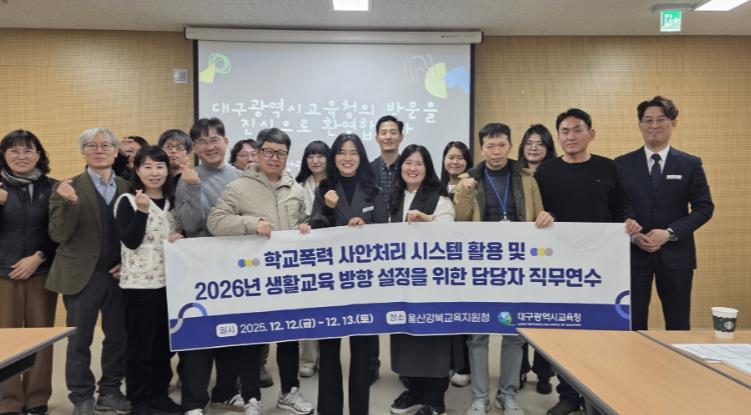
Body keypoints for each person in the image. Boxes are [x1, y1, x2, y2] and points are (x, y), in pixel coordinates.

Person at [535, 109, 641, 415]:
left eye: (577, 130)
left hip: (601, 265)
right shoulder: (545, 172)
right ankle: (568, 396)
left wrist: (630, 222)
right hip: (560, 266)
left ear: (591, 134)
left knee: (599, 331)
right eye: (565, 131)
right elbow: (535, 212)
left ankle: (599, 394)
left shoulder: (608, 168)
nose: (571, 136)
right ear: (558, 137)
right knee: (565, 333)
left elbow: (622, 207)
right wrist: (540, 217)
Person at [207, 127, 316, 415]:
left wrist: (306, 227)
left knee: (290, 336)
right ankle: (251, 397)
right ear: (258, 153)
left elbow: (302, 221)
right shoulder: (238, 187)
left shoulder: (295, 189)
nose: (274, 158)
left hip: (287, 277)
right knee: (252, 338)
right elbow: (215, 221)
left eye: (281, 153)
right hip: (252, 277)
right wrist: (251, 224)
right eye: (269, 151)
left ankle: (289, 392)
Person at [454, 123, 554, 415]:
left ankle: (507, 394)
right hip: (481, 265)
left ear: (510, 146)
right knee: (478, 334)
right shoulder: (468, 179)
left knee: (515, 333)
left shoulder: (526, 178)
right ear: (481, 149)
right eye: (490, 146)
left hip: (517, 264)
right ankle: (479, 396)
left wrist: (546, 217)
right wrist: (466, 193)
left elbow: (539, 214)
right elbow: (459, 220)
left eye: (501, 145)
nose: (496, 152)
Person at [46, 128, 132, 415]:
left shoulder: (128, 187)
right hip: (81, 273)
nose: (99, 150)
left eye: (106, 145)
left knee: (118, 337)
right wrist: (70, 203)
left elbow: (135, 233)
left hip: (118, 274)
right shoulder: (66, 187)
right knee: (79, 340)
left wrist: (128, 263)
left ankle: (110, 391)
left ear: (116, 151)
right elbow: (58, 234)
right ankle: (81, 397)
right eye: (91, 145)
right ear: (83, 151)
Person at [615, 96, 714, 331]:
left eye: (661, 120)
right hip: (633, 255)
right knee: (632, 324)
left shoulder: (690, 164)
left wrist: (670, 232)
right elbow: (617, 206)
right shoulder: (621, 164)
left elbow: (704, 208)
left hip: (676, 256)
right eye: (647, 120)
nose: (654, 125)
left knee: (678, 323)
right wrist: (633, 235)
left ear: (673, 123)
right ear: (640, 124)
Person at [173, 118, 249, 415]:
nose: (209, 146)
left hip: (235, 268)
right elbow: (190, 225)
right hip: (199, 270)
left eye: (215, 139)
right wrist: (193, 188)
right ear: (195, 147)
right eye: (202, 142)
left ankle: (226, 393)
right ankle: (193, 401)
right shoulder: (188, 178)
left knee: (232, 334)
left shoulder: (240, 177)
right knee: (198, 335)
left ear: (226, 141)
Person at [309, 133, 388, 415]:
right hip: (331, 283)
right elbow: (316, 231)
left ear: (361, 157)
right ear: (334, 157)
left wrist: (365, 230)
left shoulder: (375, 191)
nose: (347, 158)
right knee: (329, 351)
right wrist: (329, 211)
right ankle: (329, 409)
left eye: (353, 152)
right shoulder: (324, 189)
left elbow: (385, 234)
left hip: (364, 283)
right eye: (342, 152)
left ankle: (359, 409)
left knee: (363, 354)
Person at [388, 144, 459, 415]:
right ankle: (414, 390)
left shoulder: (440, 198)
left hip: (431, 284)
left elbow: (448, 230)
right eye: (408, 162)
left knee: (432, 340)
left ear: (427, 168)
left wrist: (427, 219)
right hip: (401, 282)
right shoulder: (391, 197)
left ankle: (435, 400)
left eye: (419, 163)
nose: (412, 168)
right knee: (406, 338)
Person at [113, 146, 183, 415]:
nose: (155, 172)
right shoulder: (128, 201)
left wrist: (179, 238)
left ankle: (159, 395)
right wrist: (142, 212)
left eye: (160, 166)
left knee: (164, 346)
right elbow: (130, 241)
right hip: (139, 286)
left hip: (170, 284)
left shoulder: (173, 201)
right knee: (139, 347)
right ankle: (139, 401)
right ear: (137, 170)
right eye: (148, 166)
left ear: (167, 170)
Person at [0, 130, 58, 415]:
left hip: (41, 271)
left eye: (28, 150)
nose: (21, 156)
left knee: (41, 336)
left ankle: (37, 398)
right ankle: (9, 400)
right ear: (4, 155)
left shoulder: (54, 188)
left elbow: (60, 232)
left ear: (38, 155)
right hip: (3, 274)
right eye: (14, 150)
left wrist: (38, 256)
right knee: (5, 338)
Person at [516, 124, 557, 394]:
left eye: (540, 143)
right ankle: (519, 368)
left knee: (544, 316)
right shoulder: (513, 174)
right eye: (529, 143)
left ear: (548, 147)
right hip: (520, 253)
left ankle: (544, 372)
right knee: (519, 313)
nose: (533, 148)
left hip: (548, 252)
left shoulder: (556, 174)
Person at [368, 115, 405, 383]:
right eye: (384, 132)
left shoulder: (411, 165)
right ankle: (371, 364)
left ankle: (405, 367)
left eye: (393, 132)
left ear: (401, 137)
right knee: (372, 309)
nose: (388, 136)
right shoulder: (367, 170)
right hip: (374, 247)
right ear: (377, 137)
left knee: (402, 308)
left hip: (405, 247)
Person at [294, 140, 331, 377]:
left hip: (330, 253)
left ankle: (326, 358)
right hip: (303, 252)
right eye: (310, 156)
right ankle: (307, 358)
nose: (315, 161)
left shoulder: (337, 184)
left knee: (327, 308)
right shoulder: (297, 185)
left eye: (320, 156)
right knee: (308, 307)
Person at [438, 140, 473, 388]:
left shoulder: (473, 185)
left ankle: (463, 366)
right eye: (450, 157)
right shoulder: (436, 187)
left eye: (460, 157)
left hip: (466, 258)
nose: (455, 162)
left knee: (463, 314)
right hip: (440, 259)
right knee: (444, 313)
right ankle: (447, 363)